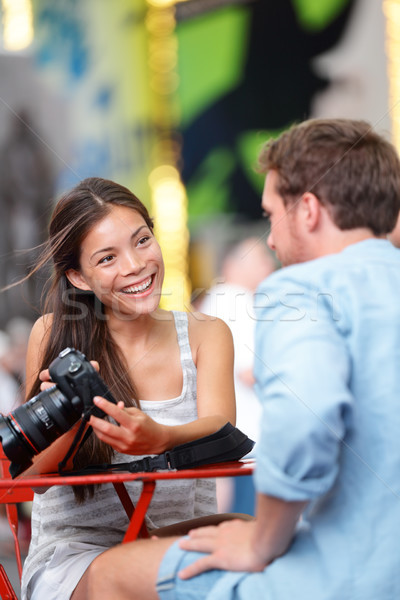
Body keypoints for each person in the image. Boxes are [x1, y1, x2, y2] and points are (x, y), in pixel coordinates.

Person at [83, 118, 400, 600]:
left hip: (353, 575)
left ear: (309, 210)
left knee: (109, 573)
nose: (271, 241)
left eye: (271, 215)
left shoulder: (299, 289)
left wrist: (260, 541)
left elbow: (304, 428)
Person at [20, 177, 237, 600]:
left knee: (270, 548)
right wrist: (66, 419)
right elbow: (30, 478)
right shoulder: (51, 335)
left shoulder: (206, 334)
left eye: (141, 241)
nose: (135, 265)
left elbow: (222, 428)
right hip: (77, 559)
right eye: (107, 258)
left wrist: (162, 437)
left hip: (176, 540)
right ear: (78, 278)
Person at [199, 238, 276, 514]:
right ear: (234, 265)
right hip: (252, 439)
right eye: (262, 259)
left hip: (236, 436)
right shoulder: (236, 299)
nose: (270, 265)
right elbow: (250, 371)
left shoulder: (216, 300)